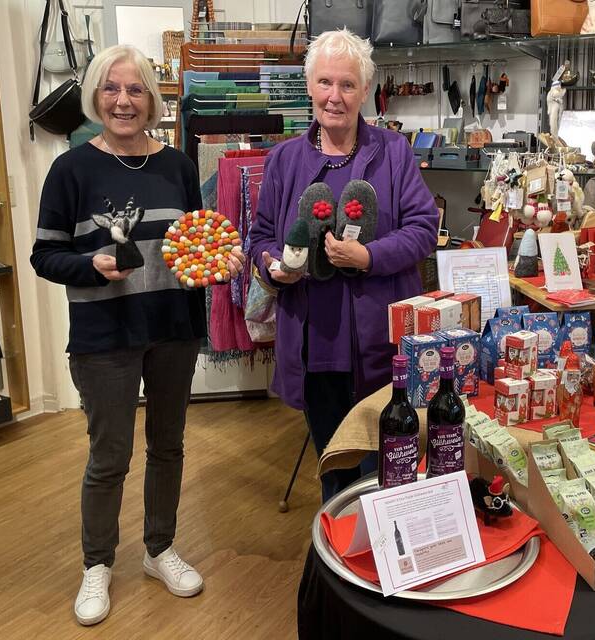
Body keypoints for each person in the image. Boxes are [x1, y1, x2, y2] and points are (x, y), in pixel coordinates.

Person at [31, 44, 244, 626]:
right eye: (111, 89)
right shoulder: (71, 169)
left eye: (134, 90)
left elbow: (195, 240)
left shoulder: (177, 165)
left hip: (173, 327)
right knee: (109, 457)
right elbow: (44, 255)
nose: (123, 101)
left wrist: (217, 262)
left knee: (168, 446)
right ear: (95, 96)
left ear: (151, 99)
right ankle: (96, 563)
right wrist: (90, 265)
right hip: (105, 334)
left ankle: (159, 548)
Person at [249, 29, 439, 501]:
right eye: (325, 82)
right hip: (315, 342)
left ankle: (386, 540)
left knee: (388, 465)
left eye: (348, 84)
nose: (335, 96)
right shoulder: (284, 159)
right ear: (309, 85)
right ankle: (340, 536)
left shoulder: (393, 151)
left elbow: (422, 228)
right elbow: (261, 236)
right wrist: (275, 266)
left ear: (365, 90)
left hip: (381, 341)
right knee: (334, 464)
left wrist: (369, 257)